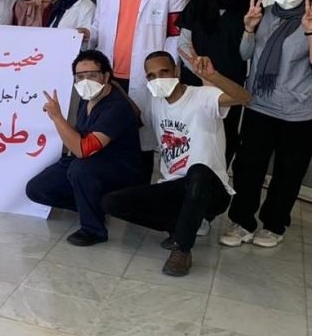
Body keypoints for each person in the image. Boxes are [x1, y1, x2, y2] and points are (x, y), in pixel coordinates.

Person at [102, 49, 250, 276]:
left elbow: (244, 98)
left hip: (211, 190)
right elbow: (139, 119)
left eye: (164, 72)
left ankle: (182, 249)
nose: (158, 79)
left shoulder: (202, 96)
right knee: (111, 202)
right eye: (151, 76)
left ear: (177, 71)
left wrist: (213, 77)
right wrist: (117, 91)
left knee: (197, 171)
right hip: (174, 187)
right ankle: (179, 226)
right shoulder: (156, 102)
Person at [222, 0, 312, 248]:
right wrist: (249, 29)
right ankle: (242, 222)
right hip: (261, 104)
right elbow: (245, 54)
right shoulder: (266, 14)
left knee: (288, 171)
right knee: (248, 166)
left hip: (303, 110)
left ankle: (274, 224)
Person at [90, 0, 186, 174]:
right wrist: (86, 35)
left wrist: (167, 73)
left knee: (142, 141)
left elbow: (175, 34)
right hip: (111, 74)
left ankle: (138, 189)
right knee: (107, 136)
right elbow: (98, 26)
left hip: (147, 77)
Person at [25, 50, 143, 246]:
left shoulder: (116, 107)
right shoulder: (87, 99)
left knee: (80, 168)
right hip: (89, 163)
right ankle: (95, 206)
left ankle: (93, 230)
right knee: (37, 189)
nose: (85, 81)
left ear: (106, 76)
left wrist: (57, 118)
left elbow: (84, 149)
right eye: (80, 77)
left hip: (119, 169)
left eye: (92, 75)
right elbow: (78, 138)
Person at [177, 0, 251, 166]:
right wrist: (201, 72)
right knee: (189, 141)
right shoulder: (198, 4)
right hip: (194, 85)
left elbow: (246, 54)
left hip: (229, 87)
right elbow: (183, 44)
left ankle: (217, 185)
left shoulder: (251, 7)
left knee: (221, 144)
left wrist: (249, 30)